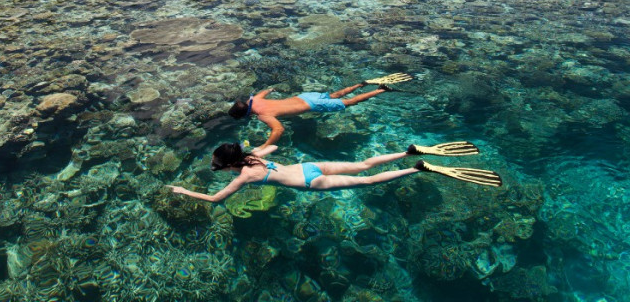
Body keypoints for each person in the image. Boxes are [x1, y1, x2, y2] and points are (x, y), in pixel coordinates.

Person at [169, 141, 501, 202]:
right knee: (366, 163)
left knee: (368, 180)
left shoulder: (245, 176)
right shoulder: (252, 158)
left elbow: (216, 199)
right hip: (310, 165)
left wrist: (185, 191)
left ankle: (417, 168)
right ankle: (407, 151)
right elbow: (273, 147)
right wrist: (251, 147)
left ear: (229, 165)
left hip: (312, 181)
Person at [227, 73, 413, 149]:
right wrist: (272, 89)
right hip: (305, 96)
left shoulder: (263, 116)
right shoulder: (254, 100)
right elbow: (264, 91)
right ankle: (361, 84)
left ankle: (381, 90)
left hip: (312, 106)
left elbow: (279, 129)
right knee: (334, 95)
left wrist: (265, 146)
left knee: (349, 103)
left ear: (246, 115)